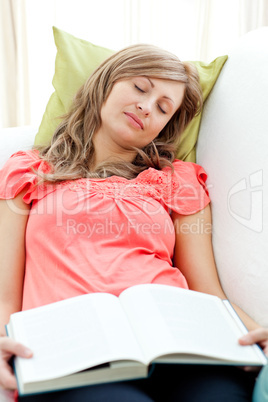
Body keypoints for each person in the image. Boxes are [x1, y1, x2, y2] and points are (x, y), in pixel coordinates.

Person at [0, 43, 267, 402]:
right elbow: (5, 294)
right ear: (105, 83)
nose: (146, 106)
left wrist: (257, 334)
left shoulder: (178, 181)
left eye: (163, 108)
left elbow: (208, 291)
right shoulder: (29, 171)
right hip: (74, 353)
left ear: (163, 128)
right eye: (141, 88)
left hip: (183, 344)